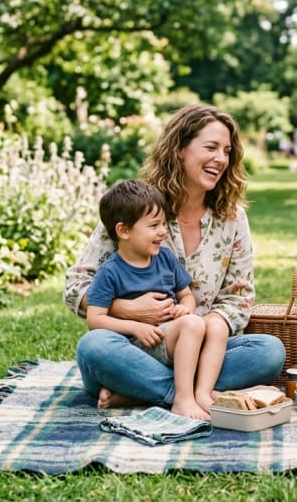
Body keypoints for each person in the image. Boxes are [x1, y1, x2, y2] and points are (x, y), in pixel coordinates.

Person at [66, 104, 286, 412]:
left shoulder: (232, 218)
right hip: (131, 350)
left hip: (201, 350)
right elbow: (76, 285)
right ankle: (187, 394)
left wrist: (204, 325)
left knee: (268, 351)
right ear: (179, 149)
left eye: (226, 151)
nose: (220, 159)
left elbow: (240, 299)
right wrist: (125, 310)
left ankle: (142, 392)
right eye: (210, 147)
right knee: (93, 347)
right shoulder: (136, 206)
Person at [85, 179, 224, 419]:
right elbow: (95, 320)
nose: (162, 231)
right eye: (153, 225)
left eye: (163, 224)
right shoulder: (110, 271)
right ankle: (182, 398)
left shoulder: (165, 259)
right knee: (93, 345)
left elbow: (186, 295)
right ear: (123, 231)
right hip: (131, 353)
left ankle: (149, 392)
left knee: (254, 346)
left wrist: (186, 308)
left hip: (171, 344)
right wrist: (135, 327)